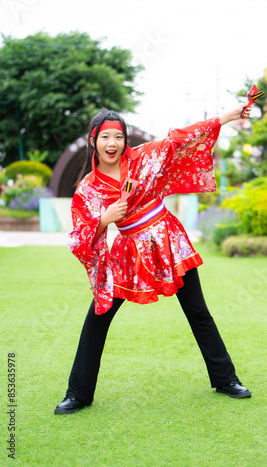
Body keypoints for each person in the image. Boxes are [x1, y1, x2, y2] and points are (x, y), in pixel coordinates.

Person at [54, 103, 252, 414]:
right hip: (129, 251)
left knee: (198, 310)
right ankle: (78, 394)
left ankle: (226, 379)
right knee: (97, 318)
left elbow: (180, 139)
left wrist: (229, 116)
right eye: (104, 137)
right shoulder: (88, 190)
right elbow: (80, 238)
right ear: (93, 141)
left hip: (169, 242)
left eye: (118, 137)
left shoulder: (145, 157)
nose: (112, 144)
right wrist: (104, 219)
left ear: (125, 140)